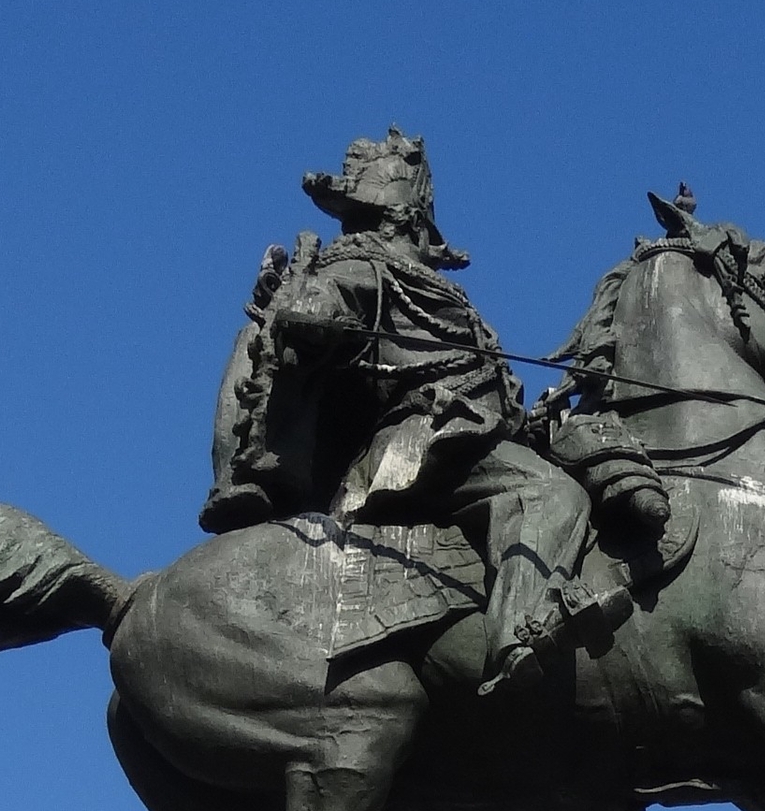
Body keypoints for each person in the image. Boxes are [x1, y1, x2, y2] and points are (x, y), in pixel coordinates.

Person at [200, 132, 671, 695]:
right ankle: (521, 634)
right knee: (549, 494)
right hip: (422, 440)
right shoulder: (365, 268)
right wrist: (310, 307)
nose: (428, 233)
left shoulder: (414, 279)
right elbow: (319, 308)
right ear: (407, 220)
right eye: (423, 221)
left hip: (467, 432)